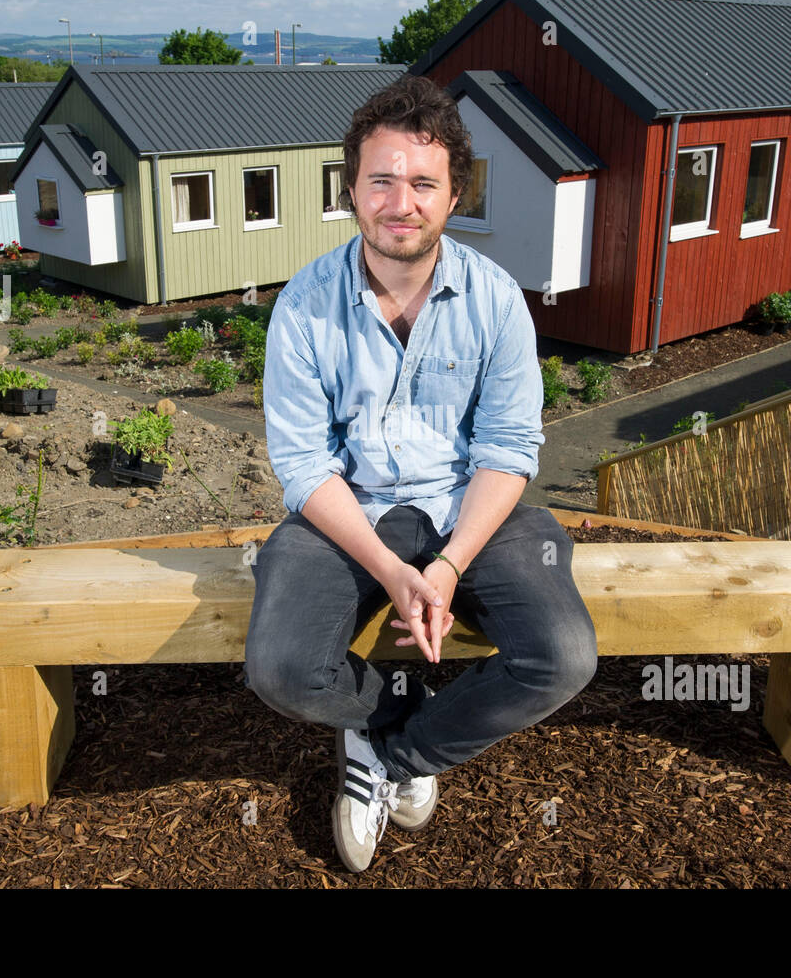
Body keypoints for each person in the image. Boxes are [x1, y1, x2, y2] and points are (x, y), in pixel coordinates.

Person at [244, 74, 597, 873]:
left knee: (563, 654)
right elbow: (302, 462)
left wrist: (444, 564)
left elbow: (509, 449)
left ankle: (397, 756)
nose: (400, 201)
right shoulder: (303, 306)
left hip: (473, 509)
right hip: (348, 512)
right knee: (281, 668)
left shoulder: (498, 299)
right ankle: (383, 715)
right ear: (351, 189)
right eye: (381, 179)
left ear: (454, 194)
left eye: (423, 183)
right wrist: (391, 569)